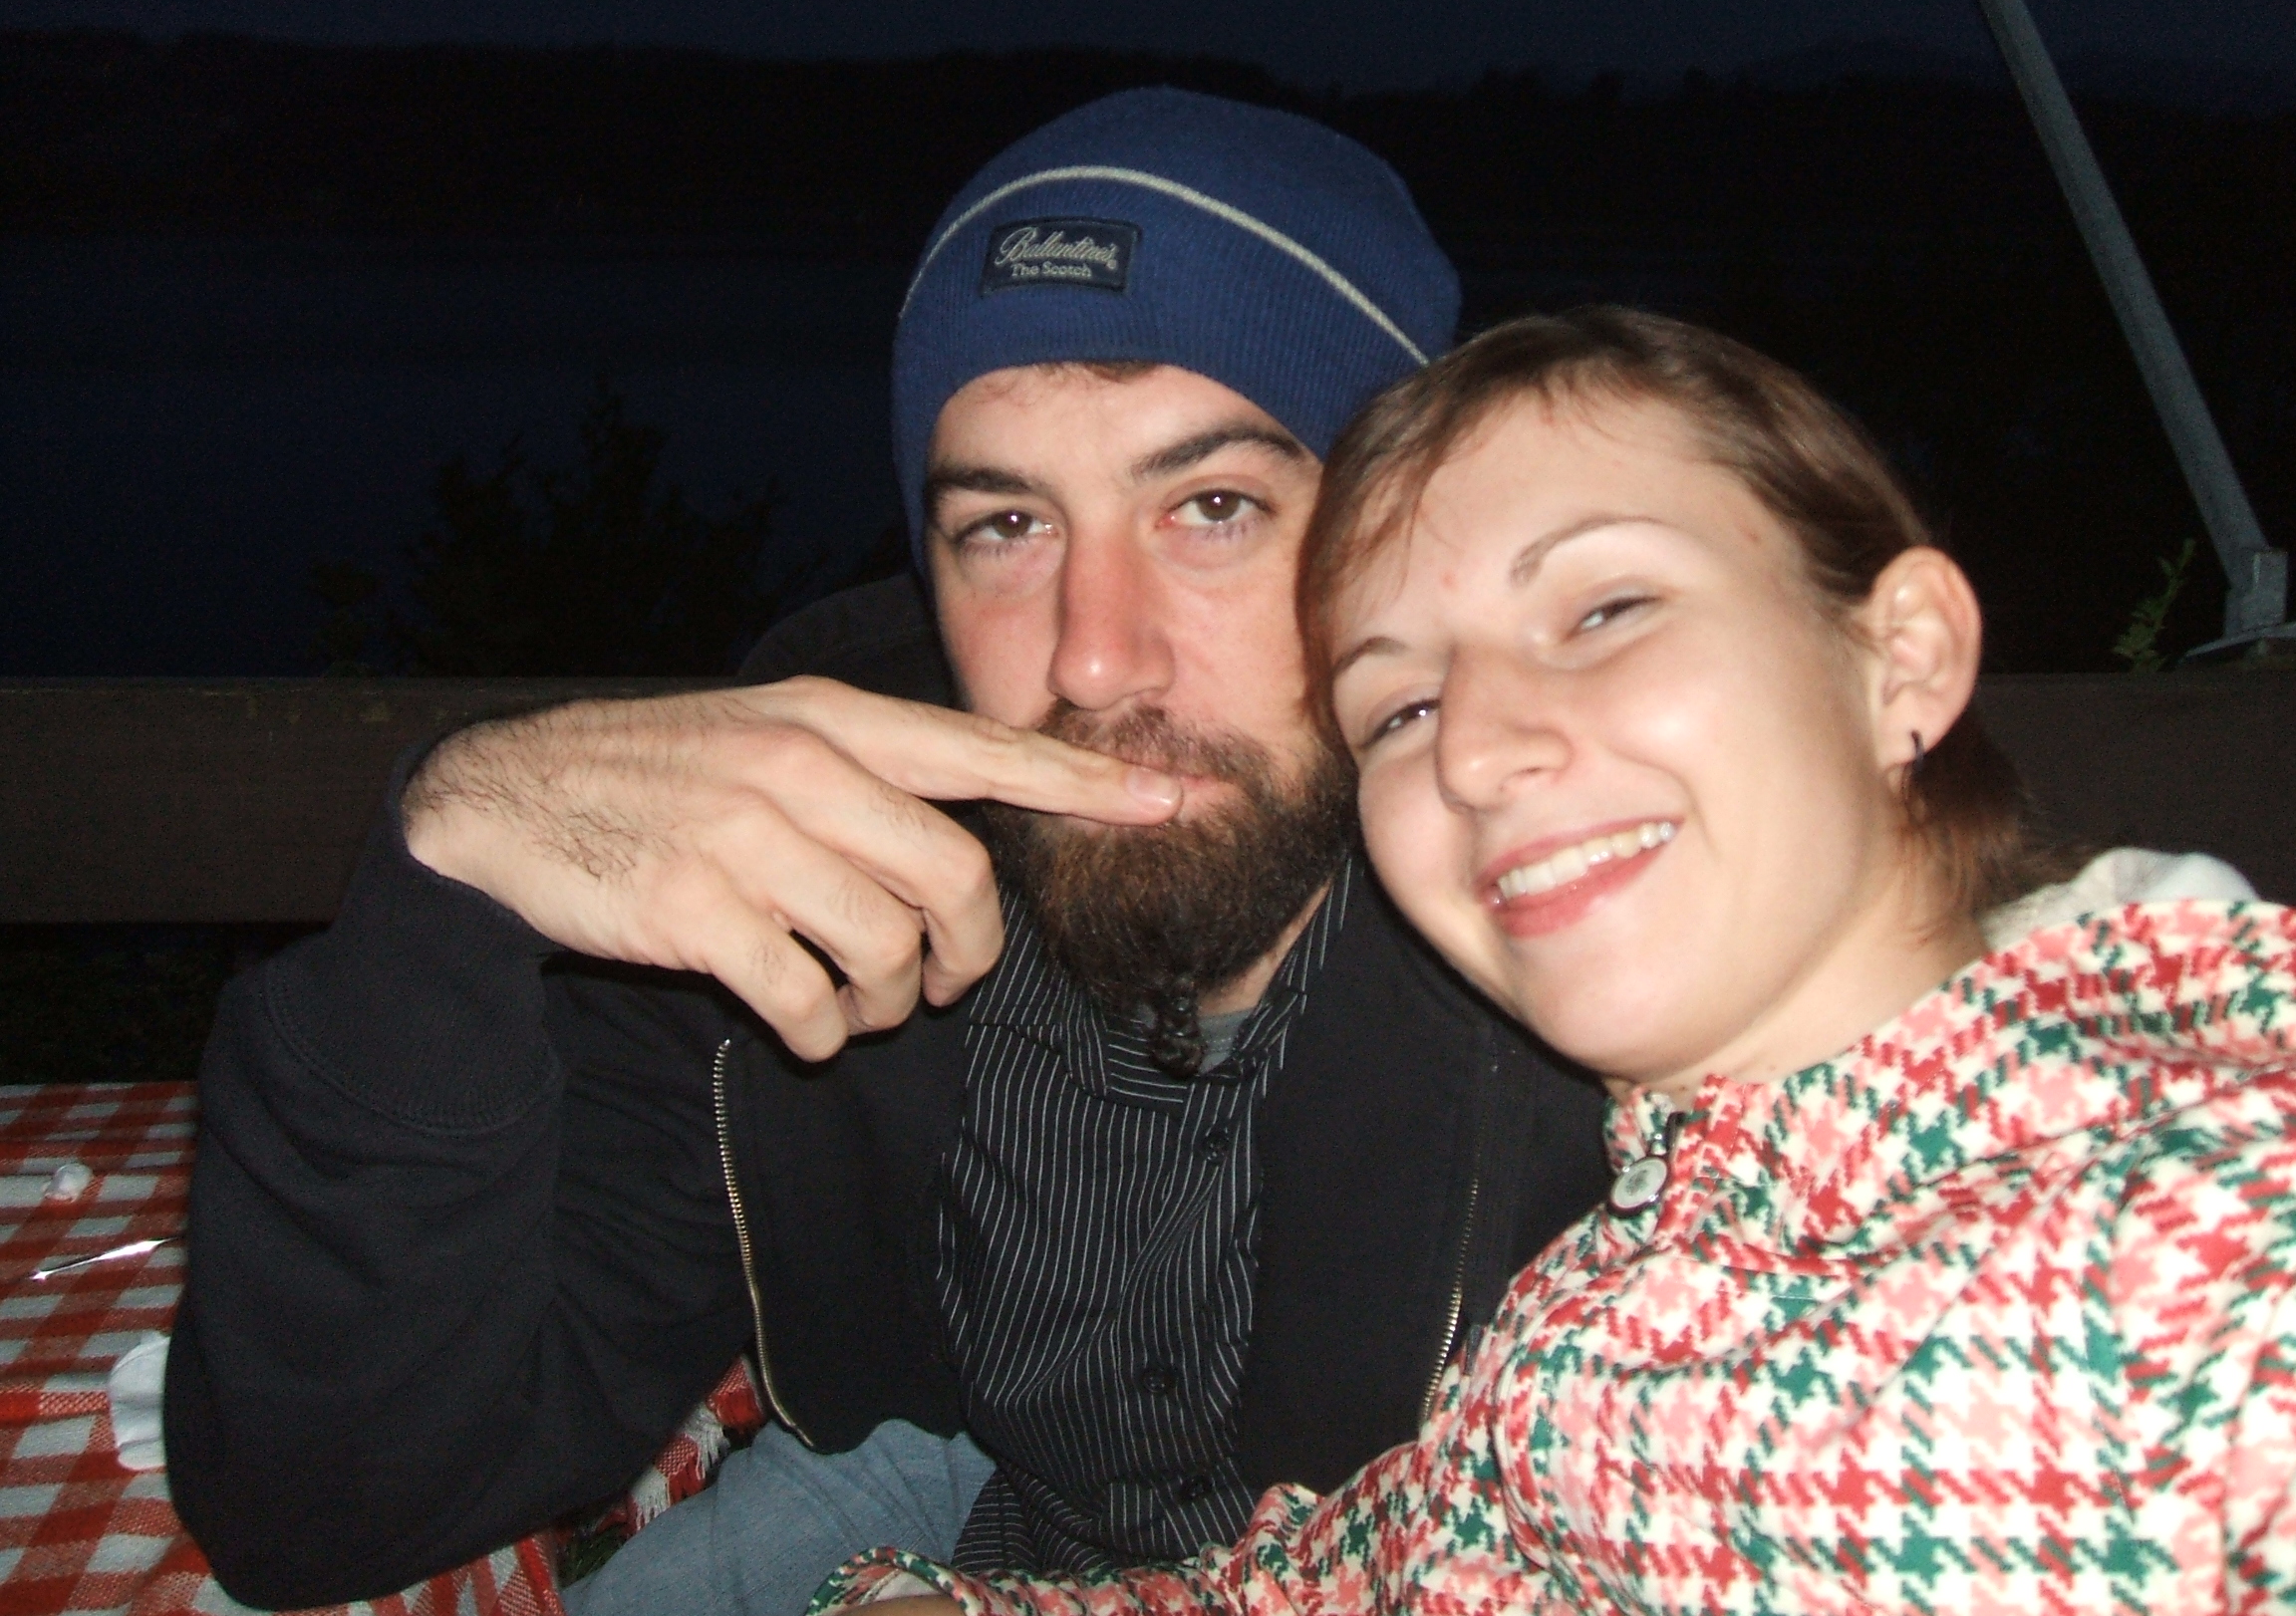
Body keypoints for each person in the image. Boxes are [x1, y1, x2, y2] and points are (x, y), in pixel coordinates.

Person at [164, 91, 1614, 1612]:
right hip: (943, 1491)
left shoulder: (1611, 933)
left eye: (1212, 505)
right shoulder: (816, 884)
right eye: (1007, 525)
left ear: (1405, 541)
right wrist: (447, 885)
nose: (1095, 655)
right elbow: (326, 1502)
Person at [817, 307, 2295, 1616]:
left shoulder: (2196, 1253)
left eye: (1602, 611)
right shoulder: (1645, 1244)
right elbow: (1361, 1575)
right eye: (1398, 707)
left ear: (1897, 653)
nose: (1473, 751)